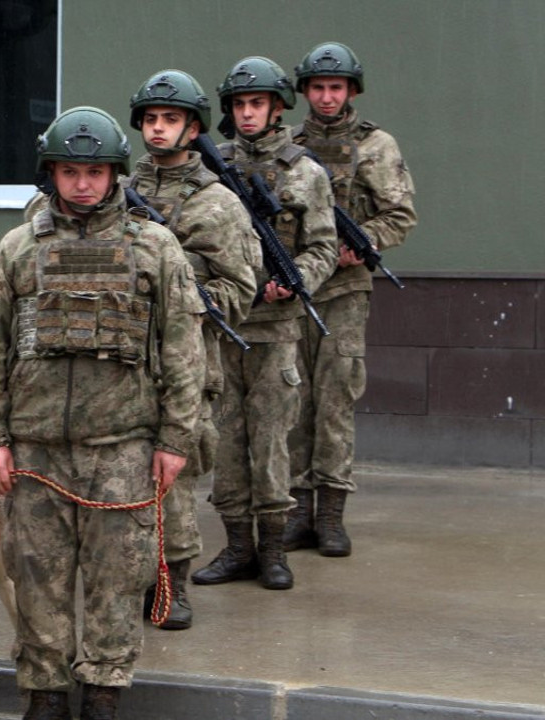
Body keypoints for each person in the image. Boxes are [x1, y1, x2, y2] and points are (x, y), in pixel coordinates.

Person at [0, 106, 205, 720]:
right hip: (36, 450)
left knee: (116, 581)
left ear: (114, 174)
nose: (82, 184)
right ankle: (45, 693)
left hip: (123, 448)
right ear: (52, 173)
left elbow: (185, 350)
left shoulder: (154, 248)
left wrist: (175, 440)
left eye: (95, 172)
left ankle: (103, 693)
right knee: (37, 579)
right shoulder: (18, 249)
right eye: (70, 171)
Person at [190, 56, 338, 592]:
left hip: (276, 327)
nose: (247, 114)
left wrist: (294, 278)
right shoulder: (208, 168)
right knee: (226, 438)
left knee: (272, 441)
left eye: (257, 104)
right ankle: (236, 546)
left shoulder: (305, 171)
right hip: (224, 322)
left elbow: (324, 244)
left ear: (278, 108)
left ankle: (274, 548)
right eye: (239, 105)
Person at [126, 69, 261, 629]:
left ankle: (173, 586)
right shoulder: (116, 186)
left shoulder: (218, 203)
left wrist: (189, 299)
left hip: (185, 361)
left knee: (174, 478)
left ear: (193, 127)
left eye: (171, 120)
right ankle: (129, 579)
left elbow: (240, 288)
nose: (159, 130)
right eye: (152, 120)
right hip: (122, 357)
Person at [285, 42, 417, 558]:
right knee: (294, 401)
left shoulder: (376, 145)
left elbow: (400, 214)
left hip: (344, 289)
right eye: (317, 88)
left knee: (335, 400)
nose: (325, 97)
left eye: (334, 87)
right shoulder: (288, 146)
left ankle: (331, 515)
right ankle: (295, 512)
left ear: (351, 91)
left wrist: (357, 245)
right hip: (294, 288)